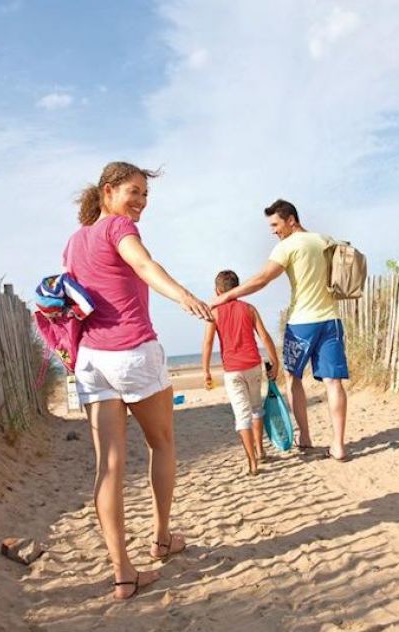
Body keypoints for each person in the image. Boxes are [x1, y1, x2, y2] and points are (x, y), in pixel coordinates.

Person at [63, 161, 213, 600]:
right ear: (108, 191)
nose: (141, 202)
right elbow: (144, 264)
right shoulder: (117, 228)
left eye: (145, 195)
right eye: (134, 191)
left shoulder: (74, 241)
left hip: (91, 360)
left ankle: (122, 573)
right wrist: (183, 295)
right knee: (161, 443)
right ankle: (162, 539)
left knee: (108, 466)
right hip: (131, 351)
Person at [210, 199, 350, 461]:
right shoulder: (326, 240)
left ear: (291, 220)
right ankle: (338, 446)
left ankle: (305, 437)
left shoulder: (288, 246)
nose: (273, 231)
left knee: (293, 377)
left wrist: (227, 296)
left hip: (301, 323)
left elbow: (262, 279)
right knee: (334, 382)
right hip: (331, 320)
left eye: (275, 225)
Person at [200, 270, 280, 475]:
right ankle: (260, 451)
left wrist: (206, 370)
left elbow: (208, 343)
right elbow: (264, 336)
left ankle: (252, 462)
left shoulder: (214, 313)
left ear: (217, 291)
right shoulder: (249, 309)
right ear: (238, 288)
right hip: (253, 366)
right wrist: (275, 361)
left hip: (232, 371)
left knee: (242, 415)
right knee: (256, 409)